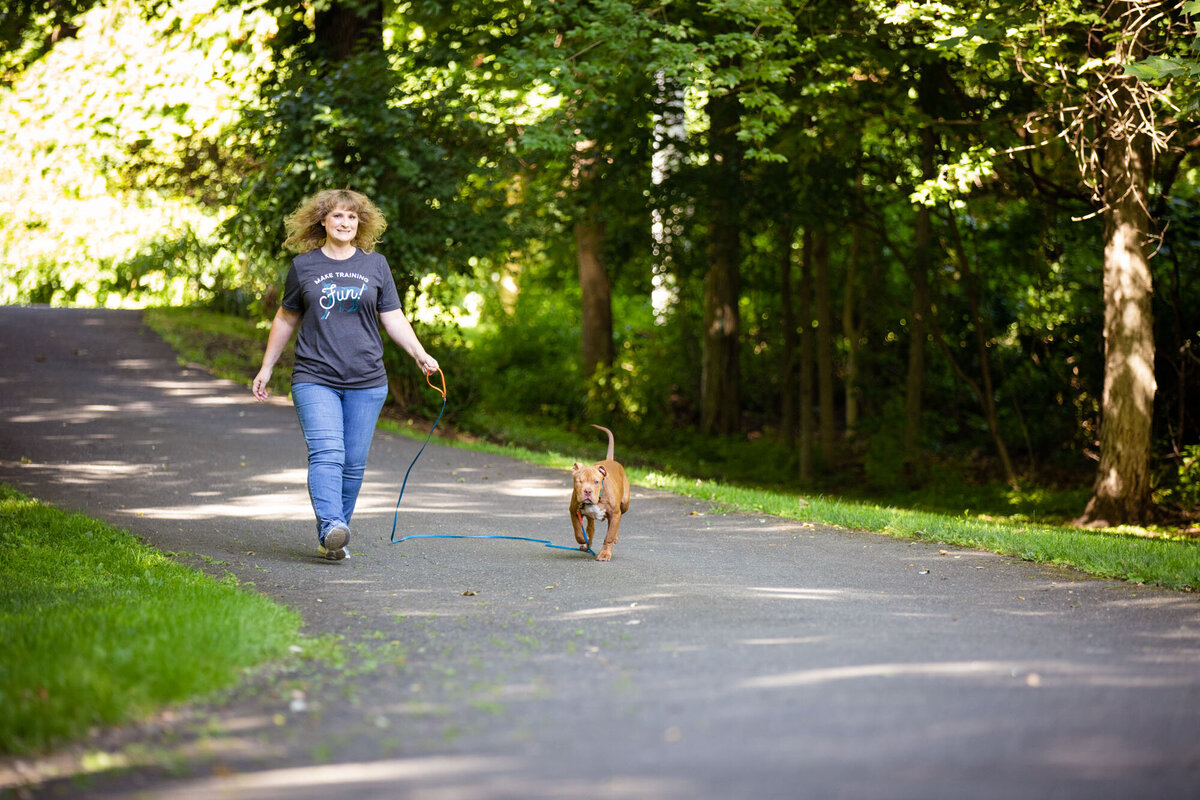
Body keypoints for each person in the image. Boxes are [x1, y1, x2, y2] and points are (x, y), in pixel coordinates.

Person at [252, 188, 439, 561]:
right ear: (322, 220)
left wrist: (419, 353)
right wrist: (267, 366)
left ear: (360, 223)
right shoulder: (304, 267)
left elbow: (393, 316)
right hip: (314, 375)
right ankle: (331, 525)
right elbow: (286, 317)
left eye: (352, 217)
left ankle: (335, 537)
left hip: (367, 381)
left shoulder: (375, 265)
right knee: (327, 453)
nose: (345, 222)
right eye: (337, 216)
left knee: (353, 463)